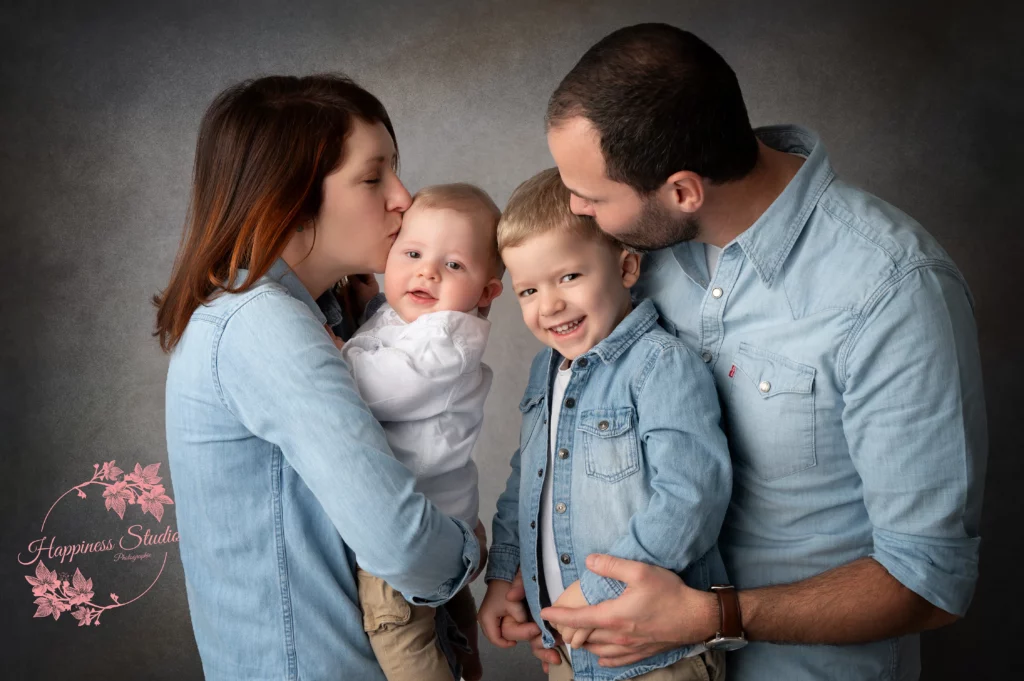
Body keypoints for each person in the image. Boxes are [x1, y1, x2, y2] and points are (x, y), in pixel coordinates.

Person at [514, 24, 987, 681]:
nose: (575, 210)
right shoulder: (631, 262)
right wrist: (560, 593)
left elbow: (927, 580)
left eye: (591, 197)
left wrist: (712, 615)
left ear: (683, 191)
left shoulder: (894, 289)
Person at [155, 75, 481, 681]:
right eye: (372, 176)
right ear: (294, 197)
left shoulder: (315, 312)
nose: (403, 197)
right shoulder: (260, 323)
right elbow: (404, 544)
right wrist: (469, 548)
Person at [478, 168, 731, 681]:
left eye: (569, 276)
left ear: (627, 267)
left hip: (654, 656)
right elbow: (526, 481)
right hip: (572, 650)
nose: (549, 305)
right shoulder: (545, 370)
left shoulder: (659, 364)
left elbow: (692, 497)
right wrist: (505, 578)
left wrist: (596, 591)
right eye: (527, 290)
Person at [340, 183, 504, 681]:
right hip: (441, 524)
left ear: (487, 292)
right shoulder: (409, 318)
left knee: (400, 637)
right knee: (450, 627)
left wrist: (332, 350)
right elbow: (391, 336)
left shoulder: (448, 341)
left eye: (453, 265)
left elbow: (369, 390)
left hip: (413, 535)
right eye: (411, 253)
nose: (427, 270)